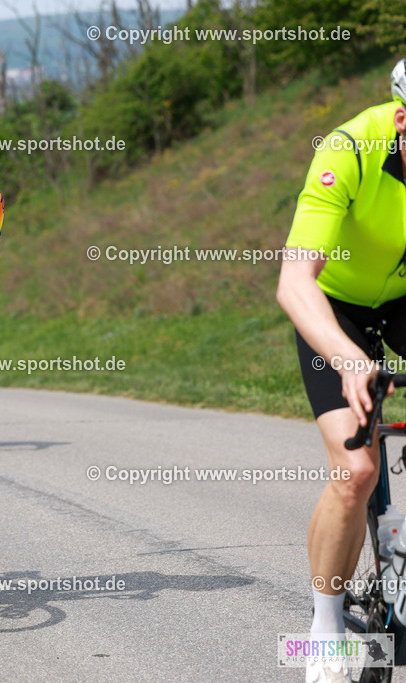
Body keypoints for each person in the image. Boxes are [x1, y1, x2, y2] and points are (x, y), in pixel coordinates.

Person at [277, 59, 406, 683]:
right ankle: (325, 628)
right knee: (355, 470)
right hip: (338, 305)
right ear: (402, 121)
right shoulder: (349, 149)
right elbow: (294, 281)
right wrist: (352, 361)